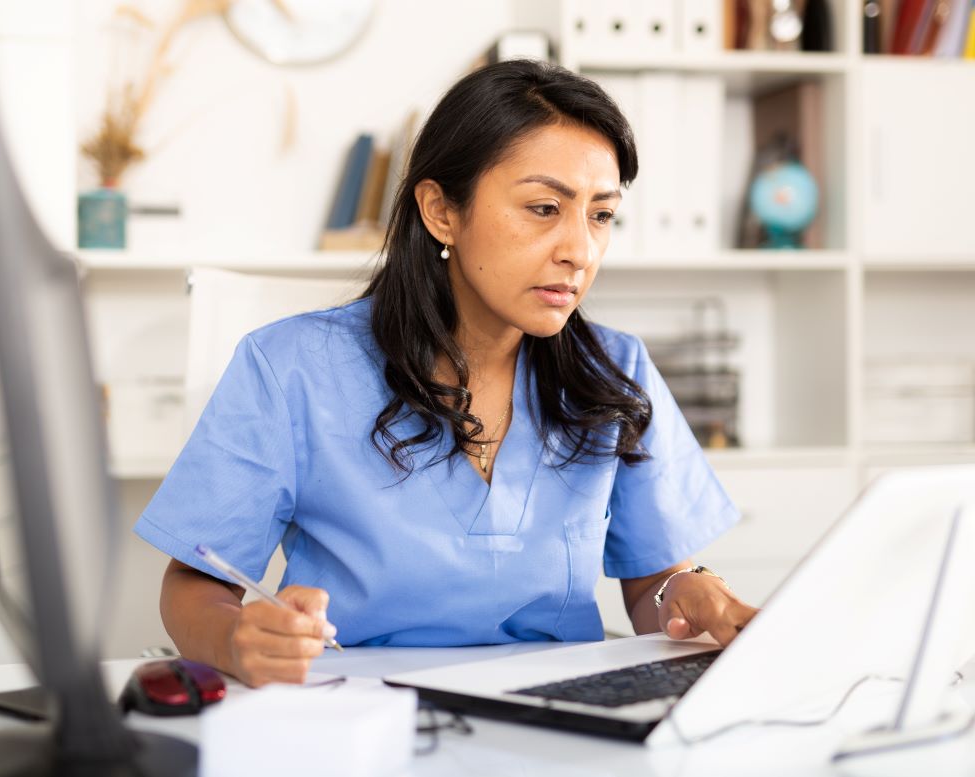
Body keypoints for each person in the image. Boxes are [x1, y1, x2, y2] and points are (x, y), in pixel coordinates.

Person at [135, 59, 758, 688]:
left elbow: (653, 583)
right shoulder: (291, 368)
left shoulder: (616, 370)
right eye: (544, 207)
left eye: (601, 215)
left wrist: (688, 592)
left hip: (558, 719)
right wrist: (236, 639)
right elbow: (194, 584)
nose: (581, 250)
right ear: (440, 211)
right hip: (358, 713)